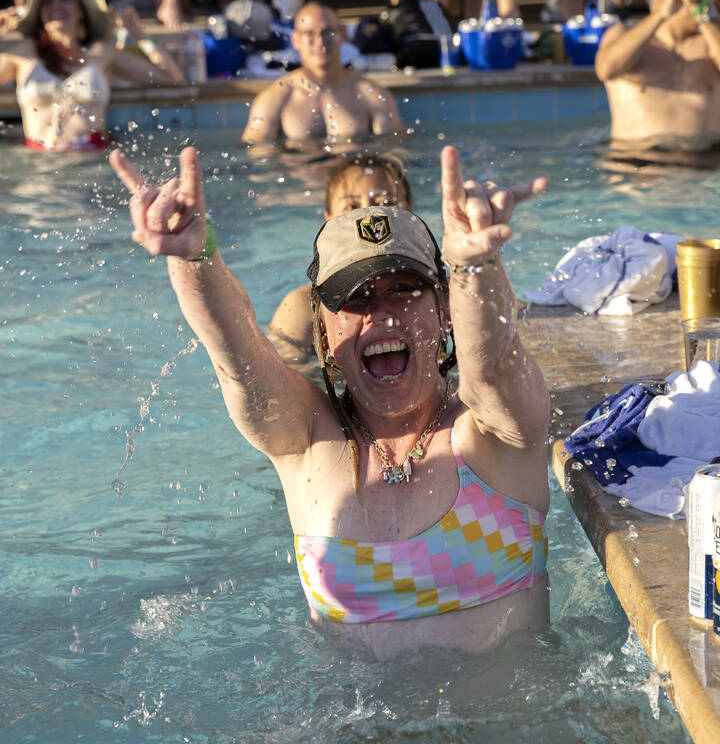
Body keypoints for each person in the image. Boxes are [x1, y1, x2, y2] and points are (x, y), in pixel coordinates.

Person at [109, 144, 552, 658]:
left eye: (406, 289)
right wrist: (195, 257)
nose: (382, 314)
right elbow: (236, 352)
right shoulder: (304, 442)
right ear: (323, 333)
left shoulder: (496, 438)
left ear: (445, 314)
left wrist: (476, 267)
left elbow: (491, 365)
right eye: (356, 298)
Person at [0, 0, 183, 152]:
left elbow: (171, 77)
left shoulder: (103, 53)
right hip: (38, 164)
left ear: (81, 10)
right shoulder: (23, 53)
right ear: (39, 13)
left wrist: (139, 33)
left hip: (91, 161)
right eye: (48, 1)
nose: (55, 6)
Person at [594, 0, 720, 164]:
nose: (708, 2)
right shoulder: (622, 35)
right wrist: (661, 14)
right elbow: (606, 70)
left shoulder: (715, 37)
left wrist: (699, 8)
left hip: (708, 165)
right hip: (638, 168)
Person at [268, 152, 413, 362]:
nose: (367, 215)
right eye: (351, 207)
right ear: (328, 218)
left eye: (385, 203)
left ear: (409, 212)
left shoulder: (442, 296)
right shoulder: (302, 307)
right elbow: (281, 380)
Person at [241, 2, 405, 146]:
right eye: (310, 33)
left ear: (342, 35)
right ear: (296, 40)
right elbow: (257, 158)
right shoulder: (276, 97)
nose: (320, 42)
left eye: (328, 32)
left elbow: (395, 154)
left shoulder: (371, 96)